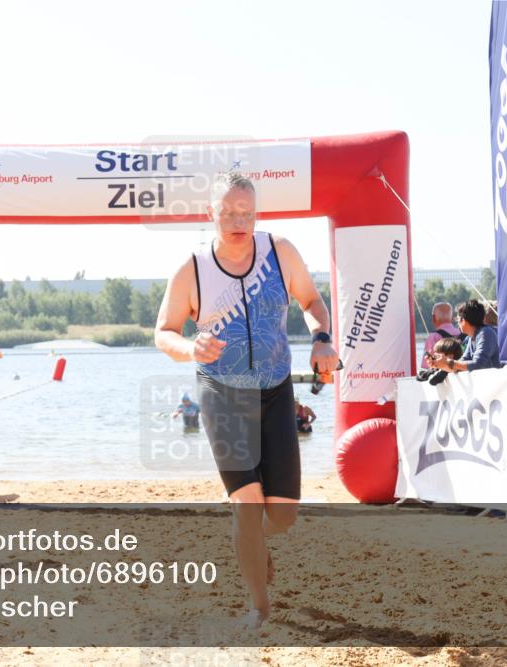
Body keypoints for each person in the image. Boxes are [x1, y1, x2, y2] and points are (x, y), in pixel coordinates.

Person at [154, 171, 340, 628]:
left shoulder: (280, 252)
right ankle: (259, 607)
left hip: (275, 391)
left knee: (282, 516)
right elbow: (163, 332)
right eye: (229, 213)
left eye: (247, 213)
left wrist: (322, 338)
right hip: (220, 392)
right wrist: (188, 348)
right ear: (210, 213)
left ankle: (250, 538)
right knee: (248, 504)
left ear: (257, 213)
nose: (239, 221)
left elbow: (313, 301)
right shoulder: (193, 268)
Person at [427, 299, 501, 373]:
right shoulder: (471, 337)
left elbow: (478, 364)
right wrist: (438, 364)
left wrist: (447, 362)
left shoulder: (486, 333)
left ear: (464, 320)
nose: (458, 323)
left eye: (458, 319)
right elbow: (461, 363)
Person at [420, 302, 463, 369]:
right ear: (452, 318)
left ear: (433, 318)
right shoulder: (463, 333)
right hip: (463, 373)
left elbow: (426, 366)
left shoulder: (434, 337)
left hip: (444, 377)